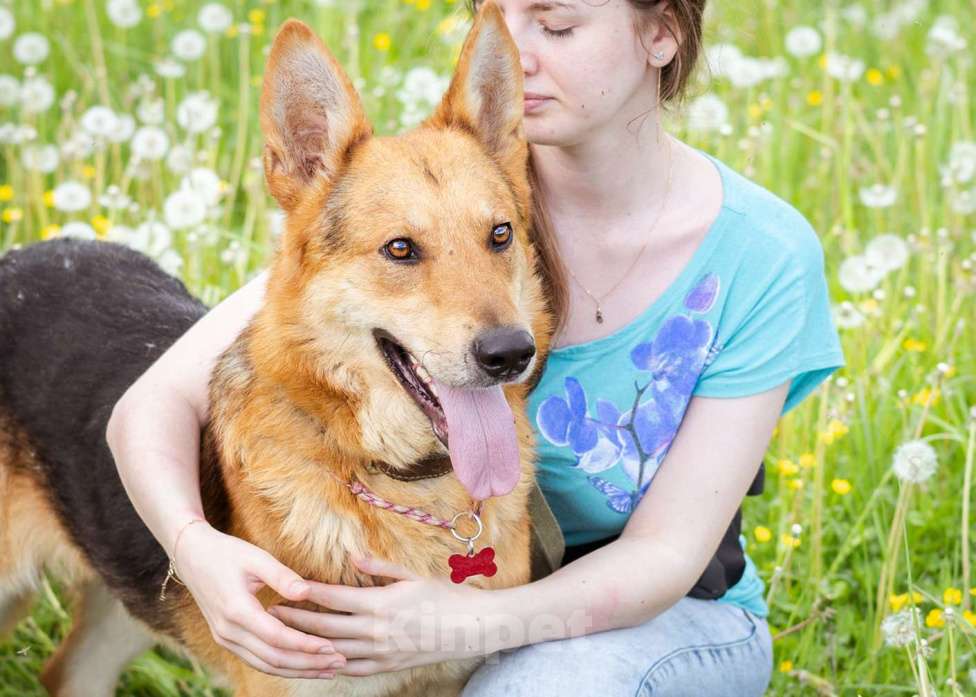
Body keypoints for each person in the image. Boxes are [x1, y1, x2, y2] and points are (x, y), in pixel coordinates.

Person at [106, 0, 845, 694]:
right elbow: (153, 402)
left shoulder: (762, 255)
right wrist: (193, 549)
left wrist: (460, 624)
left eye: (555, 25)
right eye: (498, 15)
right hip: (466, 582)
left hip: (666, 615)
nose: (516, 54)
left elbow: (667, 557)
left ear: (661, 34)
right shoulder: (437, 185)